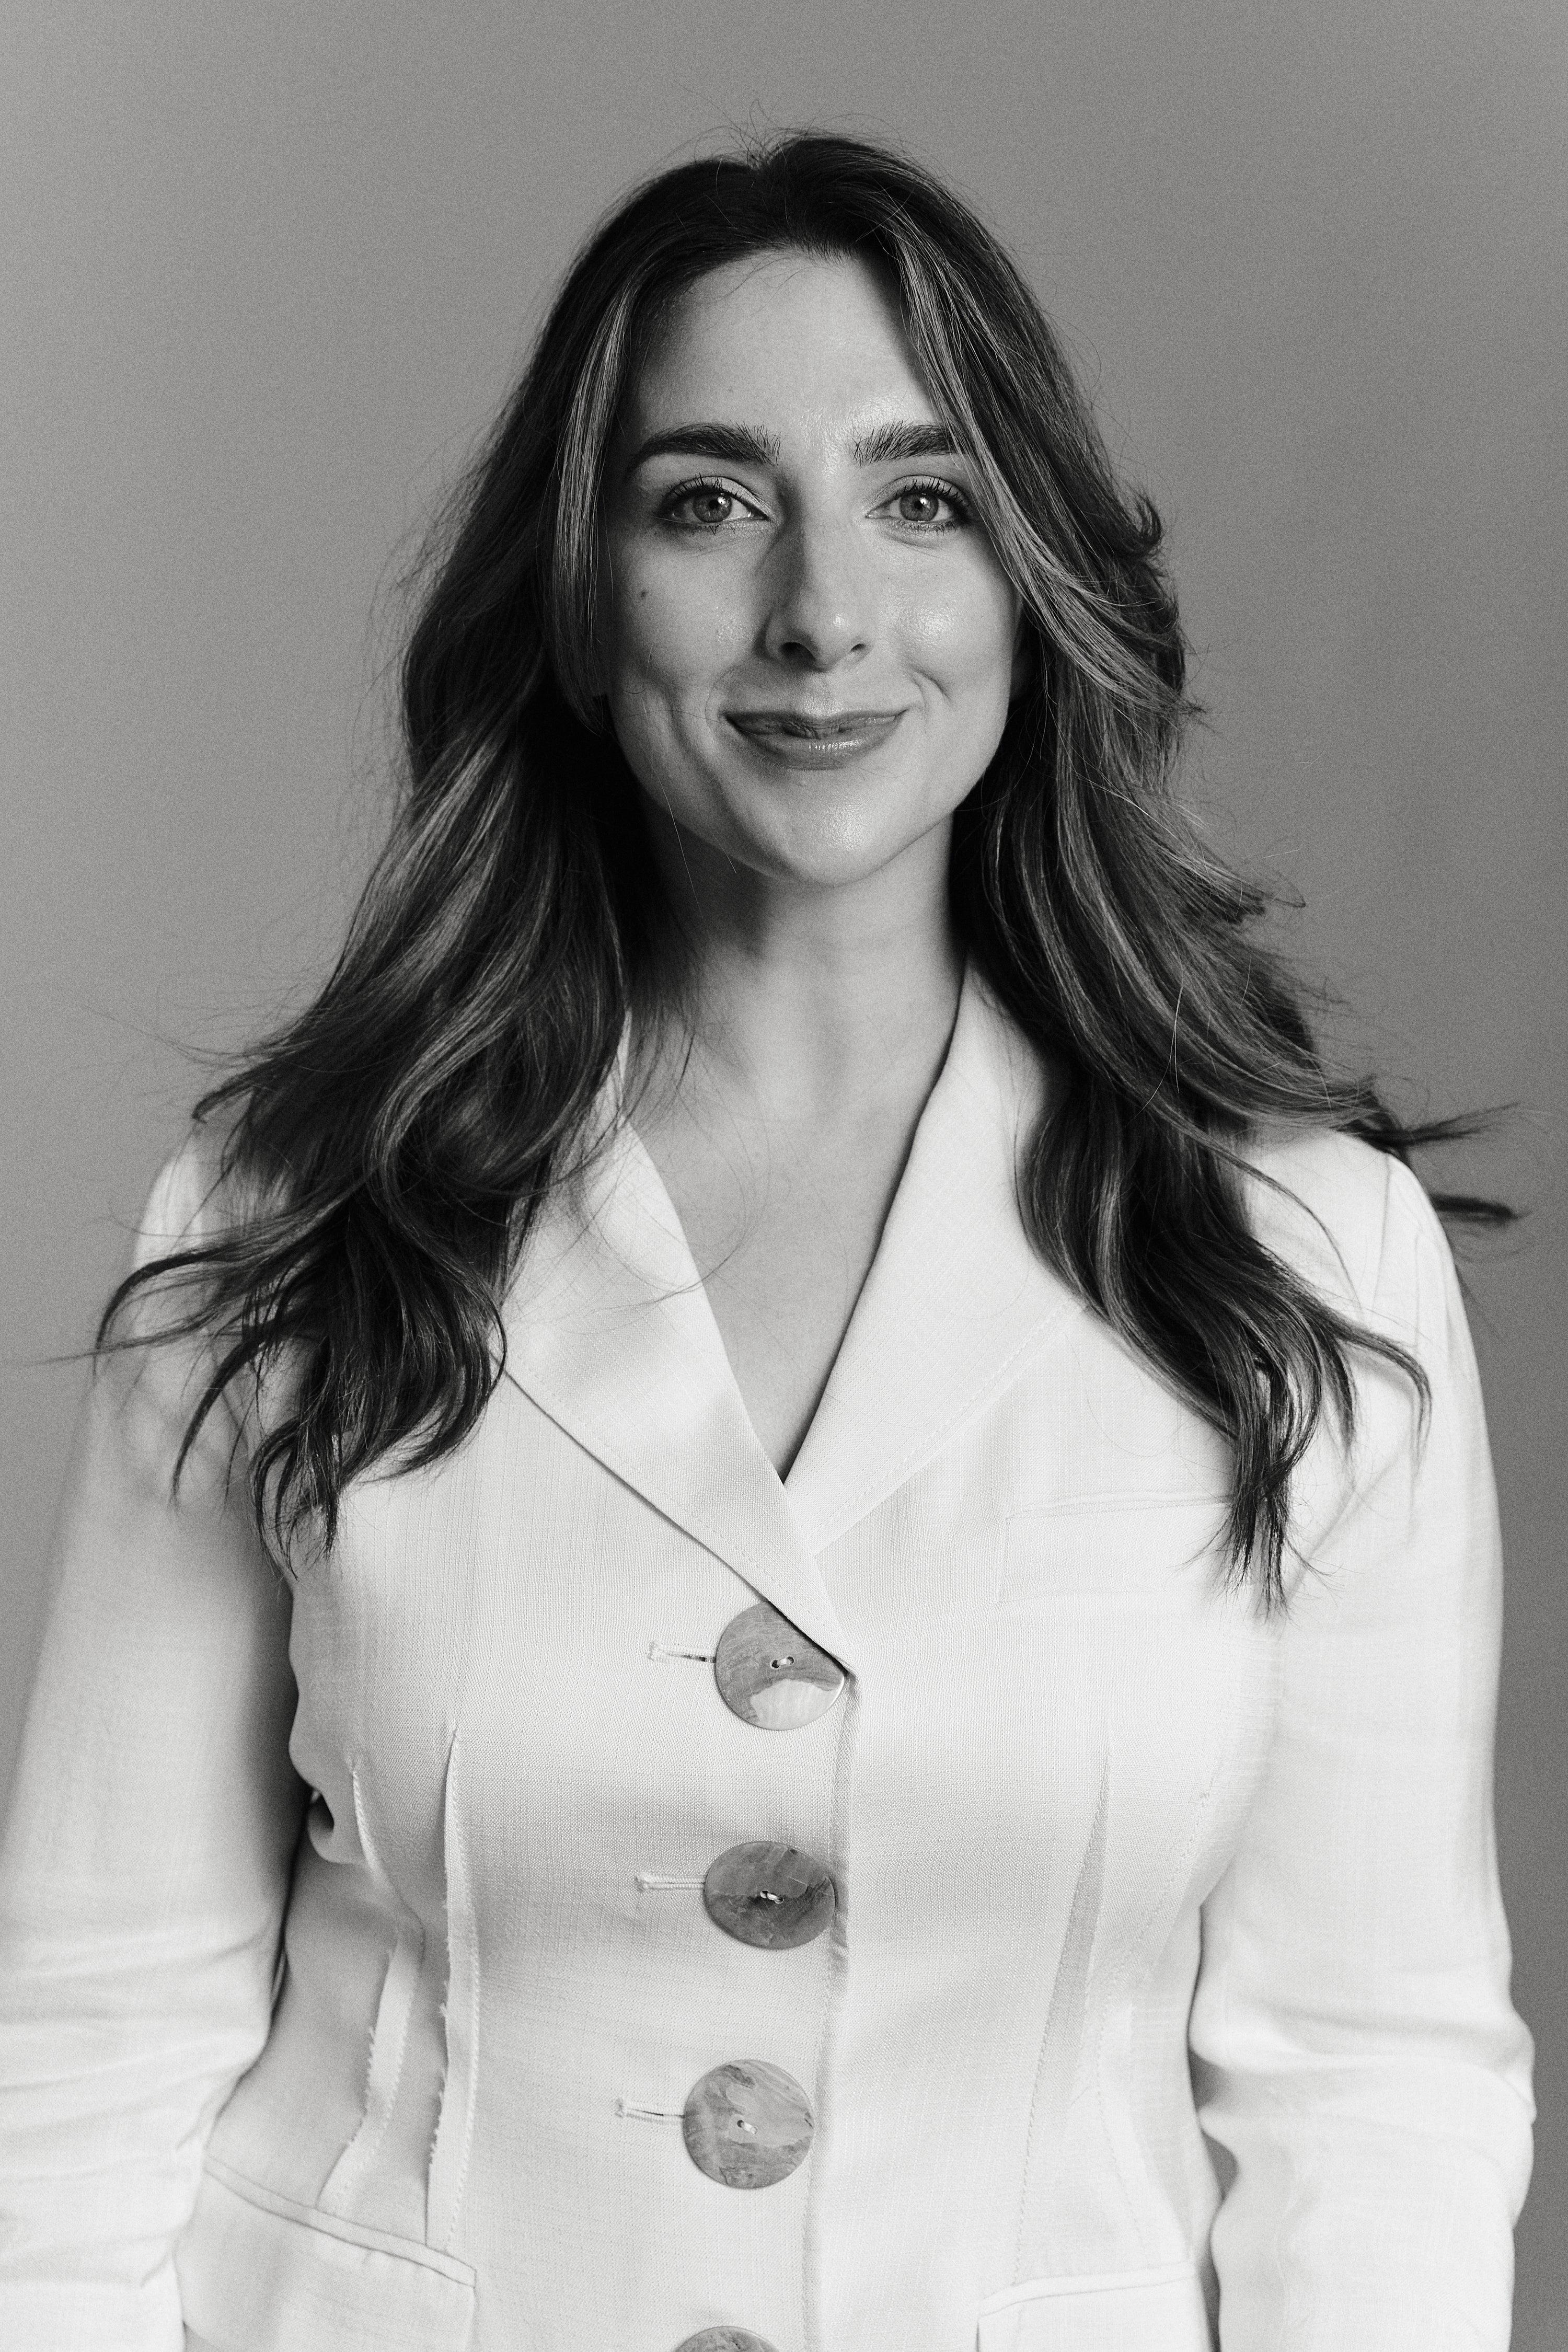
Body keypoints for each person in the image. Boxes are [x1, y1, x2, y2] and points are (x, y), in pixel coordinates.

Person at [0, 131, 1534, 2352]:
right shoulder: (287, 1222)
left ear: (1030, 585)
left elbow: (1371, 2088)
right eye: (708, 503)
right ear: (579, 589)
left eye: (924, 504)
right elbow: (86, 2035)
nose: (825, 616)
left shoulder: (1301, 1258)